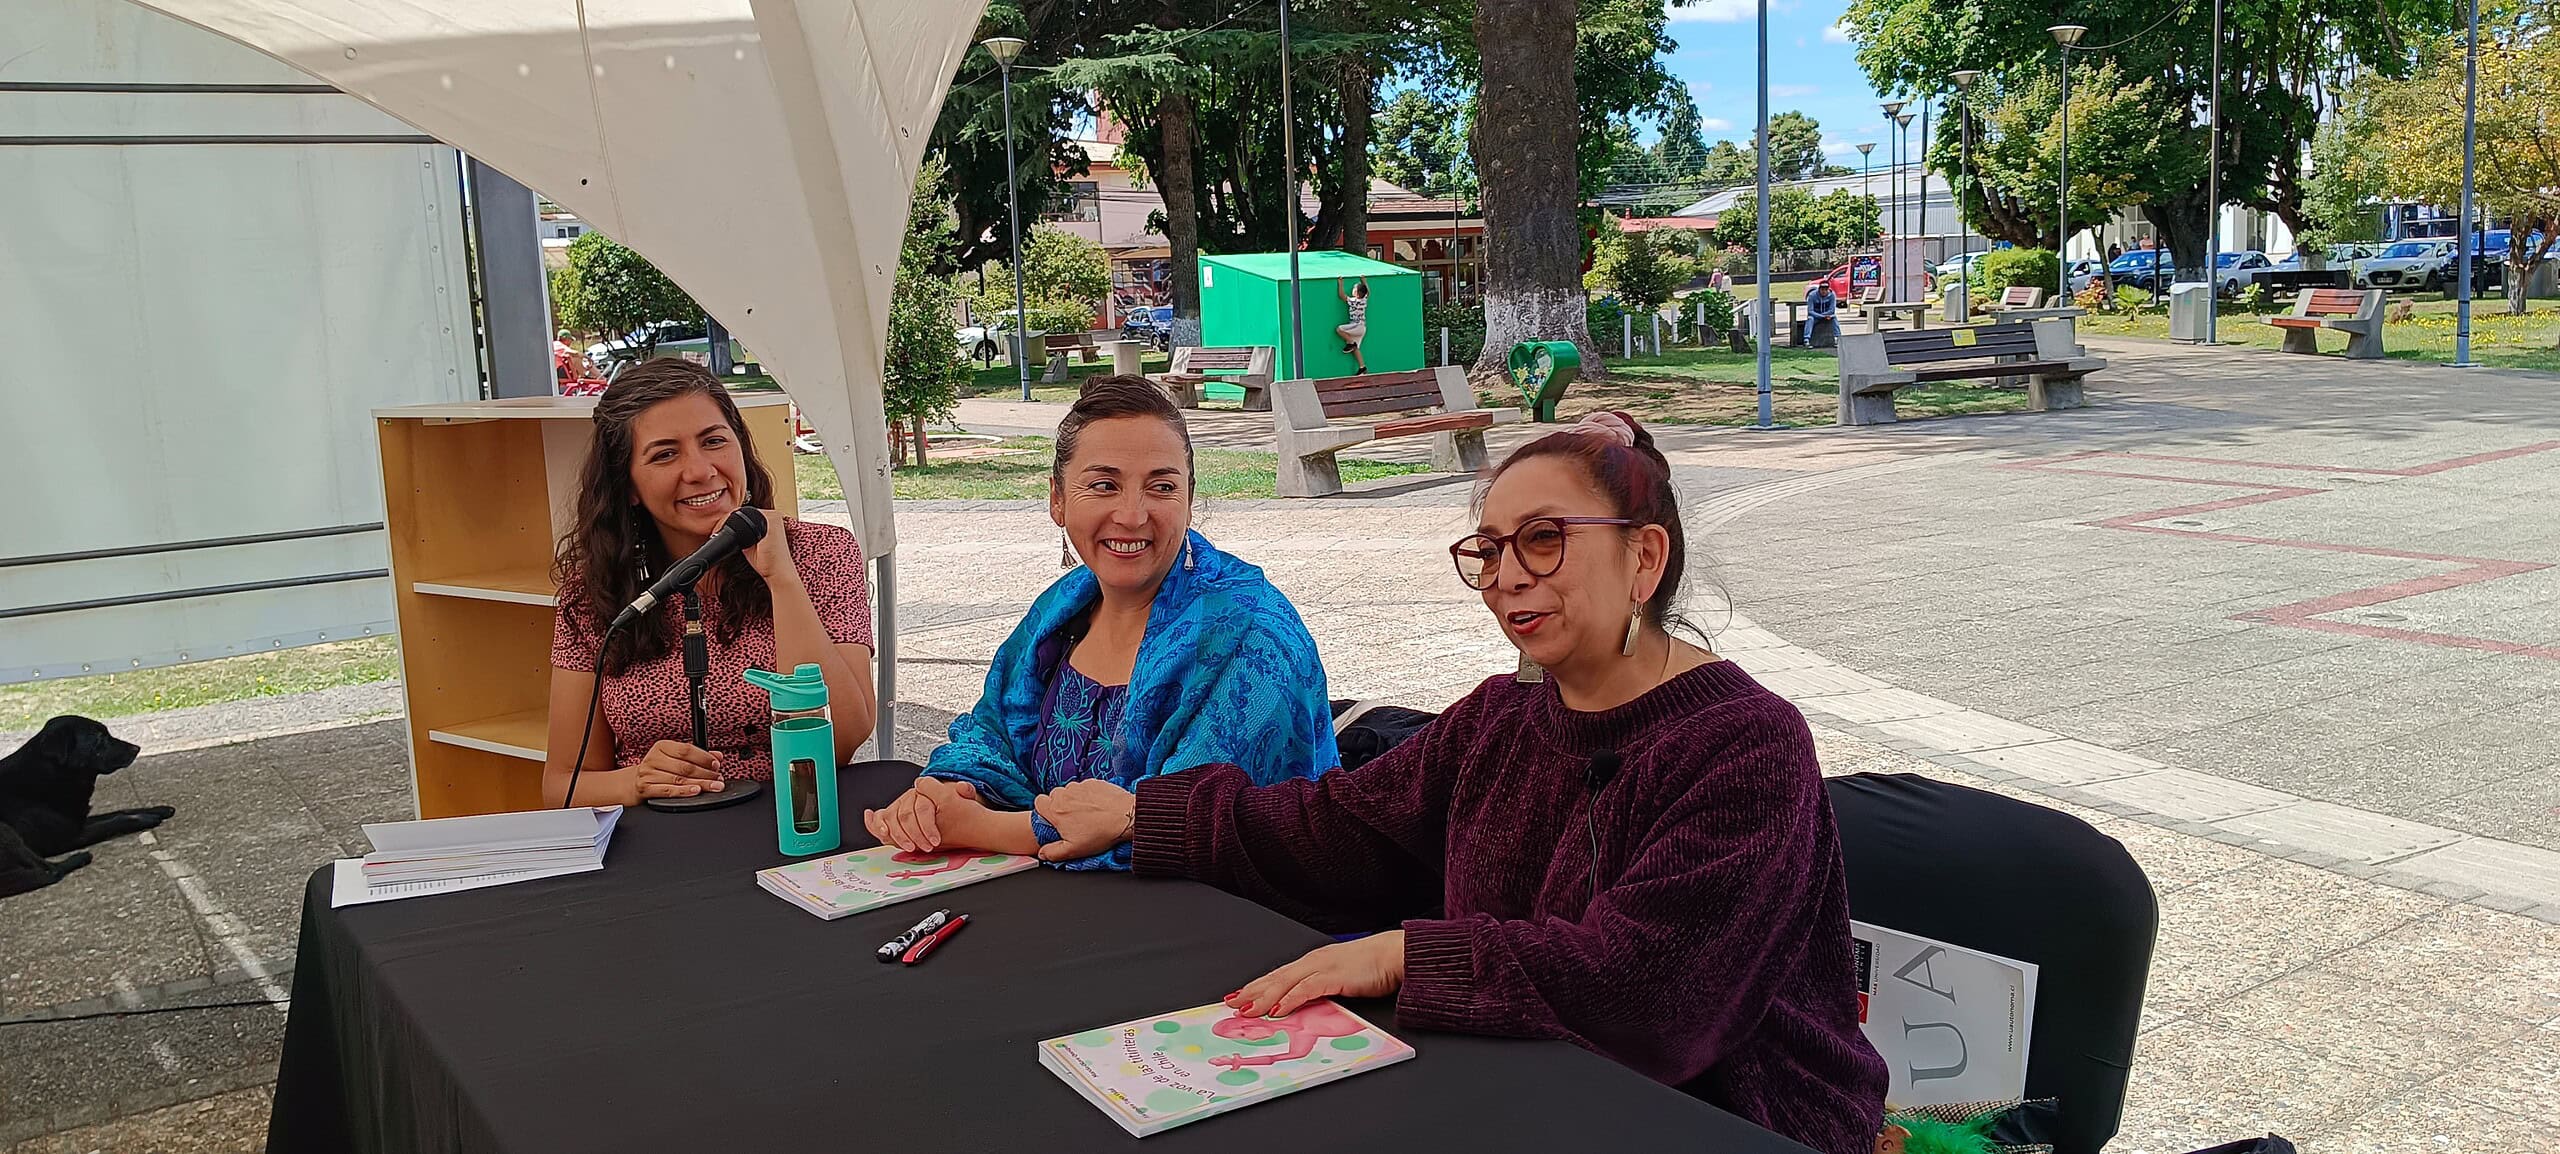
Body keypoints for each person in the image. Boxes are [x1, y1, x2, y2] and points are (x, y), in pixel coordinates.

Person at [1034, 412, 1890, 1154]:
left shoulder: (1745, 744)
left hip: (1728, 1115)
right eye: (1489, 549)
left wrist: (1404, 952)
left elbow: (1653, 995)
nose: (1508, 575)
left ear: (1645, 558)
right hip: (1517, 1084)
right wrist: (1150, 816)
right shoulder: (1500, 717)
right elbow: (1347, 829)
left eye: (1545, 540)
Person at [860, 376, 1338, 869]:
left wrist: (981, 828)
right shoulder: (1059, 611)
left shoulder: (1255, 634)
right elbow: (990, 736)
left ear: (1189, 500)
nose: (1132, 515)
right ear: (1058, 500)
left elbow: (1194, 822)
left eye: (1162, 486)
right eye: (1104, 485)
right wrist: (945, 795)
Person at [543, 360, 876, 807]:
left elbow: (842, 738)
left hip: (795, 816)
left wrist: (781, 578)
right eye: (665, 454)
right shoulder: (595, 593)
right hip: (661, 836)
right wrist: (637, 781)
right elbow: (561, 785)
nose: (700, 471)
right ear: (628, 486)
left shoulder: (820, 553)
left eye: (714, 441)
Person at [1335, 277, 1370, 375]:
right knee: (1356, 349)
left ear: (1357, 294)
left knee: (1339, 329)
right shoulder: (1364, 300)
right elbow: (1368, 293)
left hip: (1356, 325)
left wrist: (1340, 283)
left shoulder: (1354, 301)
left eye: (1354, 289)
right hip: (1362, 327)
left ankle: (1350, 342)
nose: (1352, 290)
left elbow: (1342, 296)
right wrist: (1364, 281)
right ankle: (1362, 367)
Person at [1801, 279, 1839, 347]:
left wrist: (1826, 315)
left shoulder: (1832, 295)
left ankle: (1837, 338)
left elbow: (1832, 310)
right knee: (1810, 319)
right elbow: (1810, 311)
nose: (1824, 291)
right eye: (1822, 289)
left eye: (1826, 289)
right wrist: (1821, 316)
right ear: (1819, 289)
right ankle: (1806, 340)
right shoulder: (1812, 295)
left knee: (1834, 318)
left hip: (1827, 315)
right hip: (1815, 316)